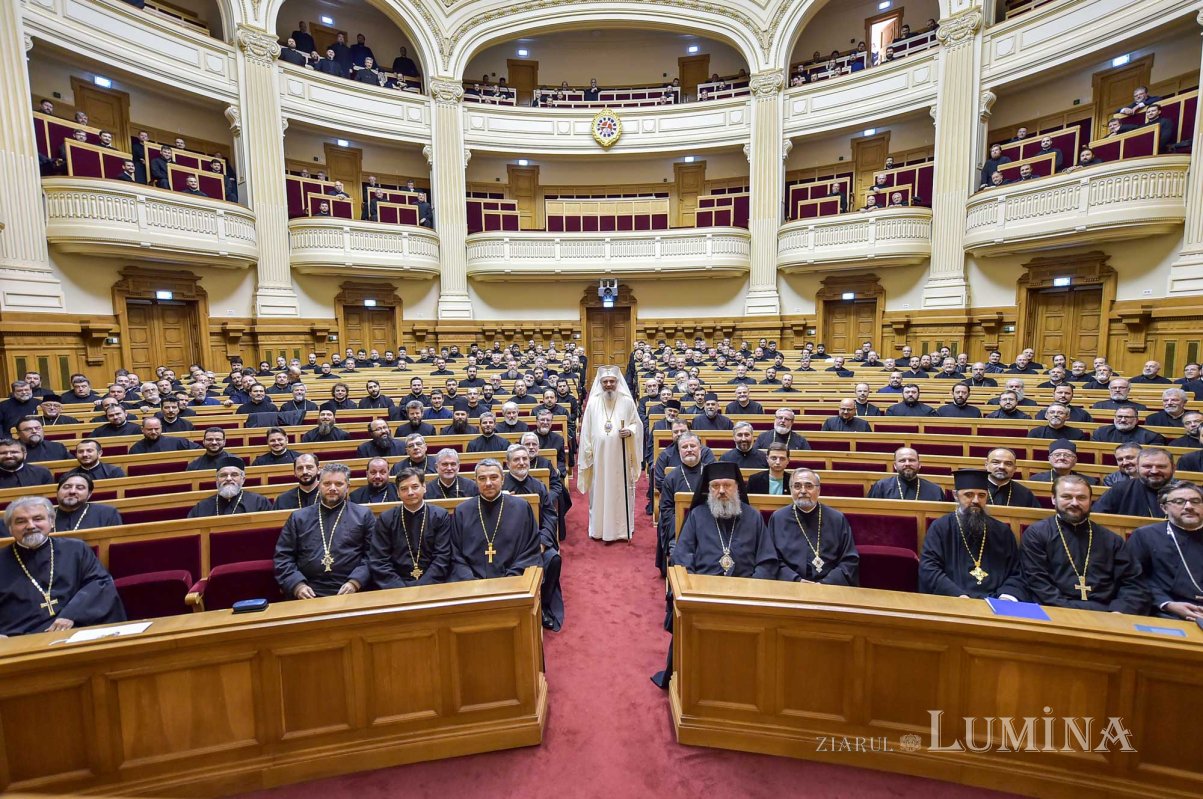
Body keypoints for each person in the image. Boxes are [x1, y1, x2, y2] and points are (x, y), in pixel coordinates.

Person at [1020, 475, 1148, 613]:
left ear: (1090, 501)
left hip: (1107, 613)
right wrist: (1068, 610)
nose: (1074, 503)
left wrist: (1119, 611)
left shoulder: (1111, 539)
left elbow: (1132, 582)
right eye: (1067, 497)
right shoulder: (1037, 534)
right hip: (1054, 610)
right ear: (1053, 499)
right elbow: (1037, 581)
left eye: (1081, 498)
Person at [0, 496, 125, 636]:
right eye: (21, 521)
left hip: (77, 627)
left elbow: (99, 583)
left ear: (51, 522)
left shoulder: (76, 549)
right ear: (10, 529)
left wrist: (71, 614)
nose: (30, 526)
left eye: (38, 519)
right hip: (20, 636)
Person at [919, 469, 1026, 600]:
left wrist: (1005, 597)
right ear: (955, 495)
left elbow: (1015, 571)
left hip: (996, 601)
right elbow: (929, 567)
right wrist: (957, 595)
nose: (976, 500)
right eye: (969, 495)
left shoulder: (1002, 531)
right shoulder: (941, 527)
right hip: (954, 599)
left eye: (981, 495)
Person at [275, 463, 374, 599]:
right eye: (327, 483)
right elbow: (283, 557)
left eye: (338, 484)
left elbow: (373, 555)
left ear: (347, 487)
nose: (332, 488)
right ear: (319, 485)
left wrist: (355, 582)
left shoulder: (363, 515)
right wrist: (297, 585)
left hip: (352, 589)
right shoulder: (298, 517)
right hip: (307, 590)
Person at [577, 366, 643, 542]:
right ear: (600, 383)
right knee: (599, 490)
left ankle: (621, 530)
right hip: (599, 458)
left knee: (620, 490)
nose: (608, 385)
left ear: (617, 382)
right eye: (605, 382)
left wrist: (630, 430)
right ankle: (599, 529)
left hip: (620, 456)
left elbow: (638, 425)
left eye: (612, 381)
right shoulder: (593, 403)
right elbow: (585, 431)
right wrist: (587, 452)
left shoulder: (627, 402)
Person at [503, 445, 563, 630]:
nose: (521, 463)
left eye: (524, 459)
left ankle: (543, 605)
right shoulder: (500, 486)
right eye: (516, 460)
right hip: (505, 545)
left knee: (553, 559)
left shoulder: (538, 486)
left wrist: (544, 542)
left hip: (535, 542)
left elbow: (550, 516)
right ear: (507, 463)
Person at [450, 460, 542, 579]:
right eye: (482, 478)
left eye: (494, 477)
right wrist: (470, 580)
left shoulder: (522, 508)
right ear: (476, 481)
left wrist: (513, 576)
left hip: (514, 580)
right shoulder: (462, 511)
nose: (488, 483)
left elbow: (531, 549)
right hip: (471, 585)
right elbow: (455, 554)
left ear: (503, 479)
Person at [1126, 481, 1203, 621]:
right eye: (1179, 502)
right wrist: (1167, 604)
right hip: (1166, 612)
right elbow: (1134, 578)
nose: (1189, 506)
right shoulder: (1145, 536)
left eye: (1195, 501)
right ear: (1164, 508)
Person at [768, 469, 858, 585]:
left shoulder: (836, 519)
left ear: (819, 490)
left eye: (809, 486)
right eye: (797, 486)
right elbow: (772, 559)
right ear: (791, 490)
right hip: (790, 586)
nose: (803, 491)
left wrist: (826, 583)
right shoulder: (778, 518)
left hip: (831, 588)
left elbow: (849, 559)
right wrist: (795, 580)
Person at [370, 466, 452, 589]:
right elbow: (379, 559)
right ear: (397, 493)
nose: (410, 492)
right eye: (404, 489)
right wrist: (399, 588)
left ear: (424, 487)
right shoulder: (386, 519)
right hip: (395, 586)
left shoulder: (440, 516)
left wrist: (423, 586)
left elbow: (442, 556)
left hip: (433, 585)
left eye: (415, 487)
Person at [1094, 447, 1175, 518]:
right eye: (1147, 466)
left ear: (1173, 468)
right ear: (1137, 468)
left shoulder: (1185, 492)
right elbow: (1096, 517)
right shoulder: (1120, 489)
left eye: (1161, 466)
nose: (1154, 471)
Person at [186, 465, 273, 517]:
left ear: (243, 479)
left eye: (234, 475)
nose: (228, 479)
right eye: (223, 475)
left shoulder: (259, 502)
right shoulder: (201, 507)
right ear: (216, 480)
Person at [867, 447, 945, 501]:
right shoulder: (881, 487)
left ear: (919, 464)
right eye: (902, 461)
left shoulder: (935, 490)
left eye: (911, 460)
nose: (907, 464)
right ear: (895, 466)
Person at [1092, 407, 1166, 446]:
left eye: (1127, 417)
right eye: (1119, 416)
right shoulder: (1100, 433)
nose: (1123, 420)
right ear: (1114, 418)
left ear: (1136, 420)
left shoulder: (1151, 437)